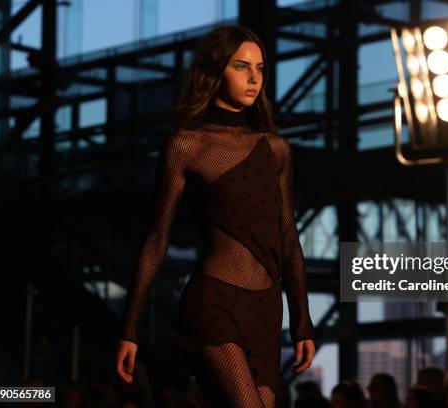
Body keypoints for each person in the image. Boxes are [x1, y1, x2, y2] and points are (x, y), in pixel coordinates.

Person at [114, 25, 316, 407]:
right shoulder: (187, 145)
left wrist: (301, 320)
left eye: (260, 68)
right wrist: (129, 328)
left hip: (266, 311)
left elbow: (288, 237)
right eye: (242, 66)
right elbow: (158, 237)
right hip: (214, 303)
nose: (254, 78)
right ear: (214, 71)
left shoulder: (276, 150)